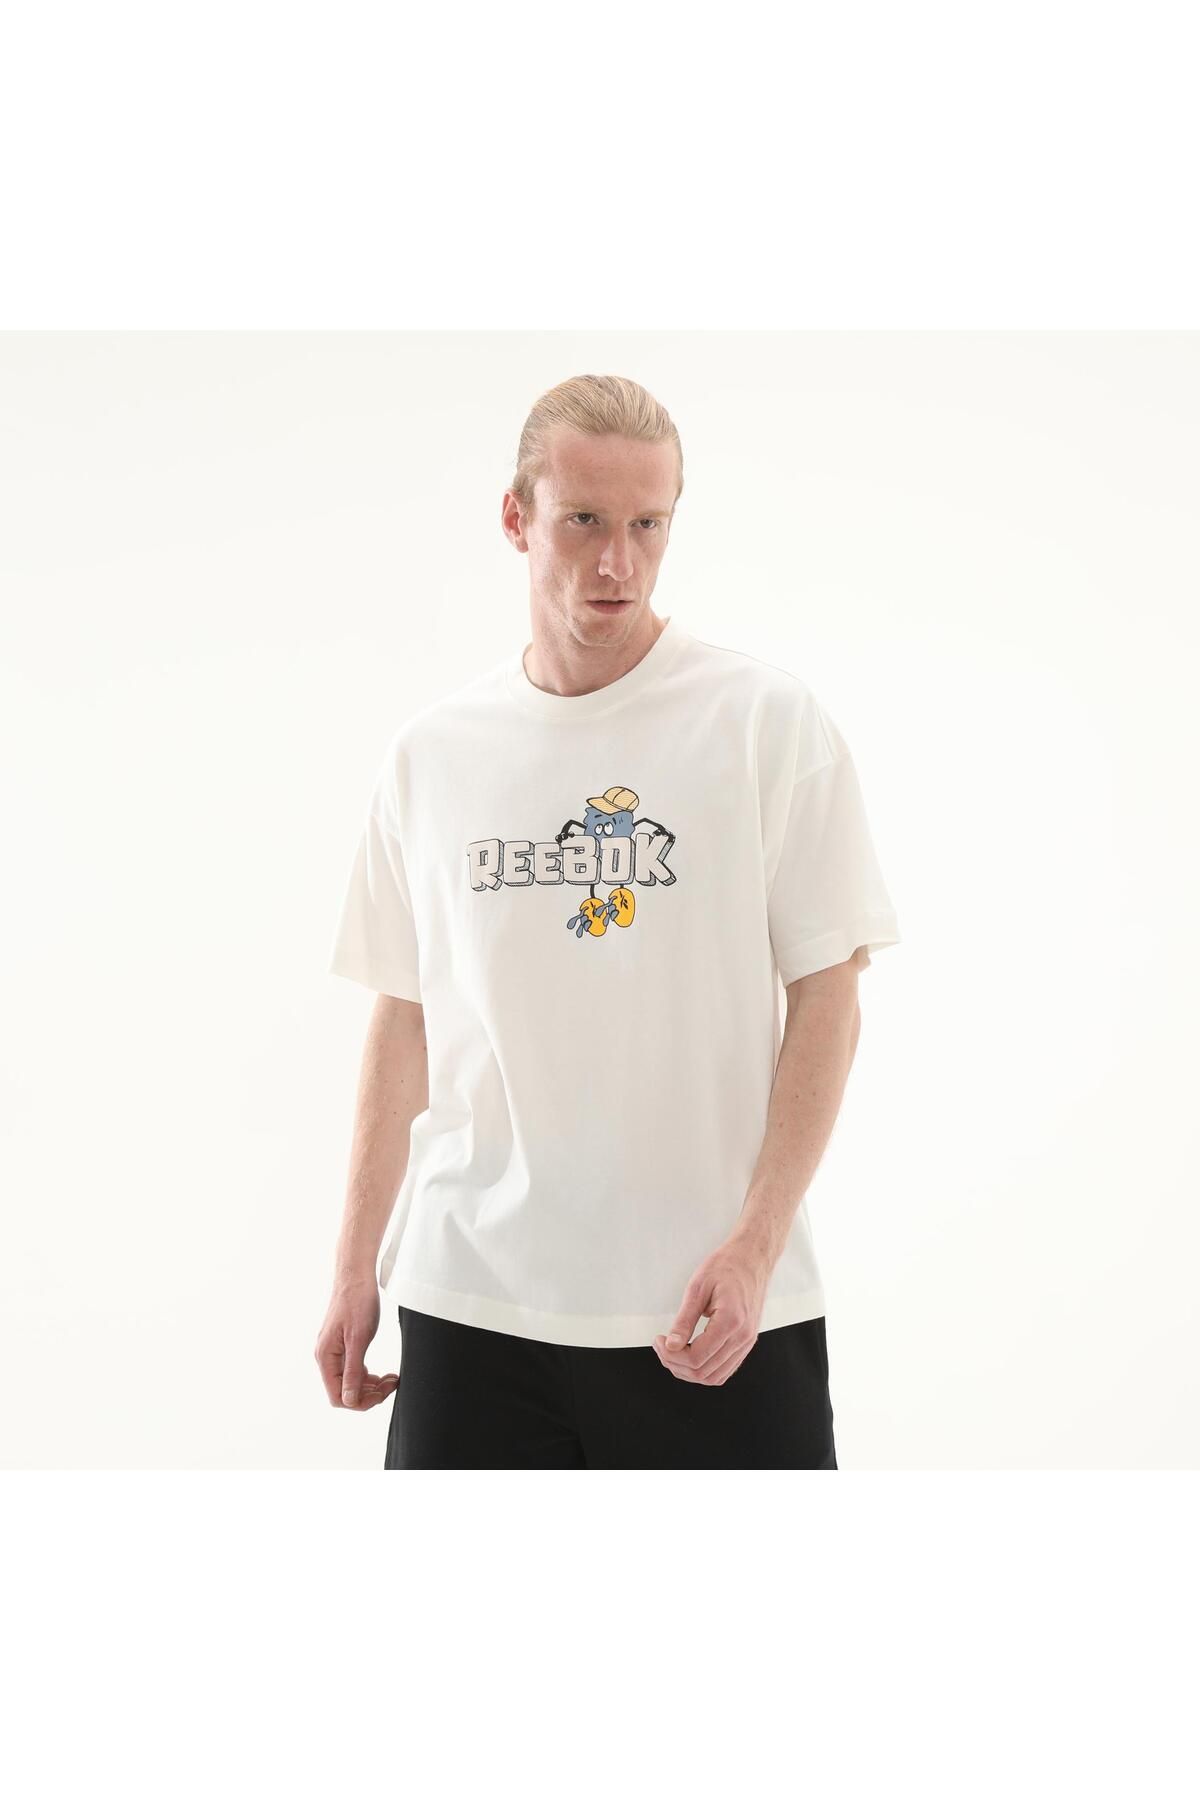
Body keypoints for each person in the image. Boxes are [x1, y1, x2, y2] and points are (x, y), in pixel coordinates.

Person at [314, 373, 901, 1468]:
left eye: (647, 525)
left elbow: (830, 995)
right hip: (472, 1303)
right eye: (583, 520)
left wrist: (756, 1244)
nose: (617, 563)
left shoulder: (765, 725)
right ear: (516, 518)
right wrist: (355, 1267)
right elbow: (404, 1017)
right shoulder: (433, 757)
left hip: (716, 1307)